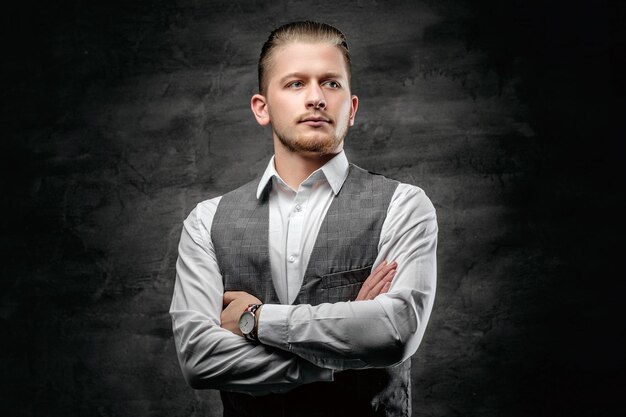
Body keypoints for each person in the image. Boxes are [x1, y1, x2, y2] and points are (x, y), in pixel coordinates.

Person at [170, 21, 437, 417]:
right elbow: (199, 359)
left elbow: (393, 333)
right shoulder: (206, 221)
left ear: (352, 107)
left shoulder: (404, 206)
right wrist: (338, 358)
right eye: (295, 84)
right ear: (262, 108)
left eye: (331, 84)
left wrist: (254, 320)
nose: (316, 98)